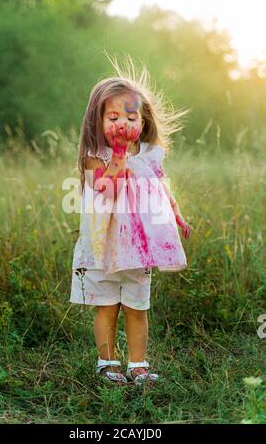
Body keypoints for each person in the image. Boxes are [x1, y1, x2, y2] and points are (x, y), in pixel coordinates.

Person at [69, 57, 191, 386]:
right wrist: (119, 155)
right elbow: (105, 189)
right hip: (104, 244)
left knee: (137, 306)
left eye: (130, 116)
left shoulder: (150, 153)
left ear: (143, 118)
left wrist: (177, 214)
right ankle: (107, 364)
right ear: (97, 120)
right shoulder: (96, 154)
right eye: (113, 117)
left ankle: (138, 365)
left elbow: (162, 186)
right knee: (107, 306)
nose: (123, 123)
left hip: (139, 247)